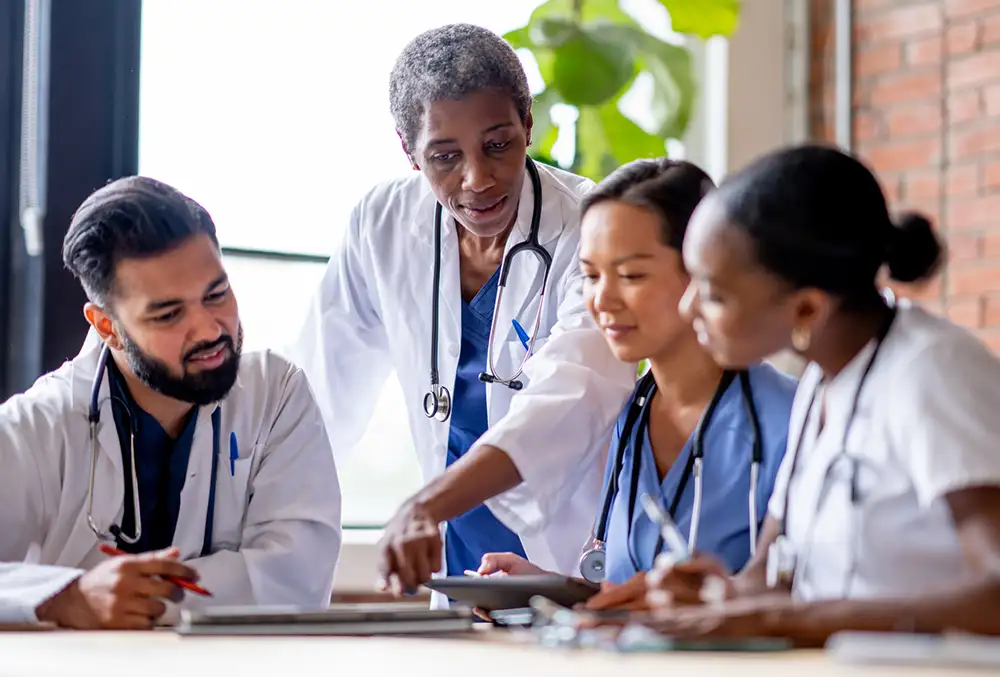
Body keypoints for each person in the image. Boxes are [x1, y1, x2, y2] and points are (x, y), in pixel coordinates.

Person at [286, 23, 634, 604]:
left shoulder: (589, 225)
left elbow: (573, 396)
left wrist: (426, 504)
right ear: (408, 152)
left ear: (528, 123)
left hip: (568, 556)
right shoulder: (384, 224)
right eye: (444, 157)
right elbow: (324, 395)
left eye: (498, 144)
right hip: (456, 561)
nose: (477, 179)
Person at [641, 144, 1000, 643]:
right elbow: (775, 578)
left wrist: (782, 621)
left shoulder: (932, 372)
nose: (687, 309)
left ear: (808, 311)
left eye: (714, 294)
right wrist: (719, 595)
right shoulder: (821, 381)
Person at [0, 177, 342, 629]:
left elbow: (296, 579)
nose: (208, 330)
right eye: (168, 314)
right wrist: (65, 598)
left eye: (216, 294)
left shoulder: (275, 395)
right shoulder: (36, 424)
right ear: (107, 326)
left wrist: (143, 598)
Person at [475, 159, 797, 611]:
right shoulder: (633, 414)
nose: (602, 300)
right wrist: (550, 588)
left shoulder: (788, 421)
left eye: (631, 275)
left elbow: (810, 598)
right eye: (590, 275)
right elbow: (642, 594)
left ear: (702, 270)